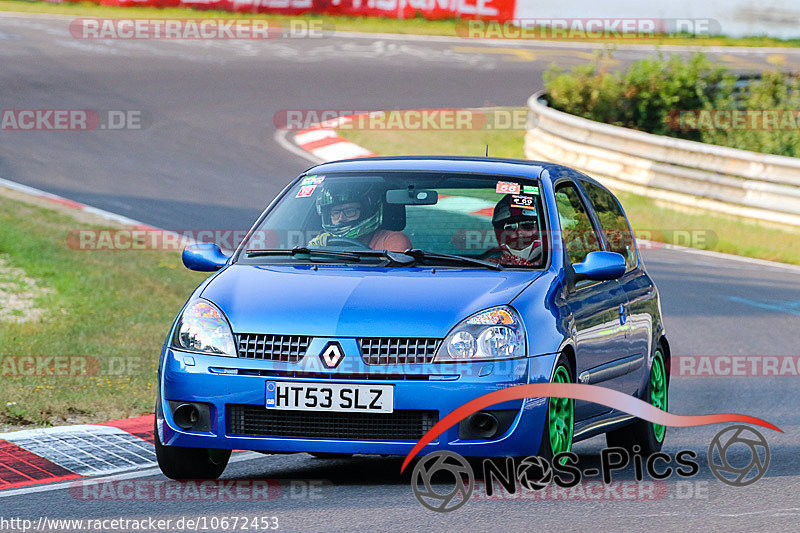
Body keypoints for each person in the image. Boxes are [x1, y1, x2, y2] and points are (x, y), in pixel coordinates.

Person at [308, 184, 411, 252]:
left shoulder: (392, 240)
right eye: (335, 213)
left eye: (349, 212)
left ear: (366, 212)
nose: (341, 218)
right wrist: (316, 249)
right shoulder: (324, 241)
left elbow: (391, 277)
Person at [486, 194, 543, 266]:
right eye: (510, 227)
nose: (519, 232)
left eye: (527, 226)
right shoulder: (488, 263)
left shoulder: (557, 256)